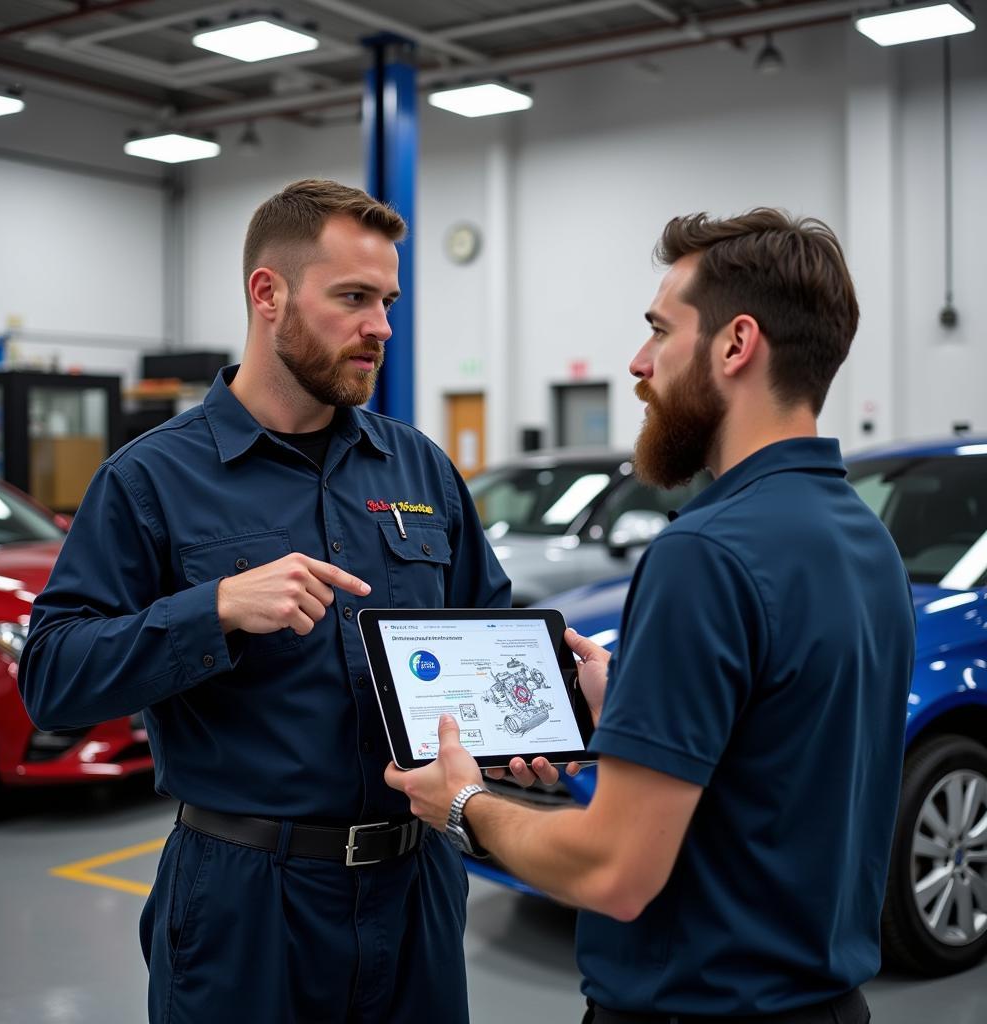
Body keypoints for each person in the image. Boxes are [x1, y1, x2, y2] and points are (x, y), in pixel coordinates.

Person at [387, 209, 916, 1024]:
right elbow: (780, 758)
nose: (638, 364)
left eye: (659, 331)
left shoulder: (704, 553)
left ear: (736, 345)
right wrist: (631, 705)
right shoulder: (865, 537)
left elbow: (614, 873)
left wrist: (464, 804)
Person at [18, 178, 510, 1024]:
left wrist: (525, 734)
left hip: (416, 887)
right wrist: (211, 609)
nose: (381, 327)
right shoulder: (151, 480)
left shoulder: (419, 469)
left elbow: (490, 637)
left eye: (388, 301)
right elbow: (54, 677)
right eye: (354, 298)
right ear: (267, 293)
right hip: (248, 903)